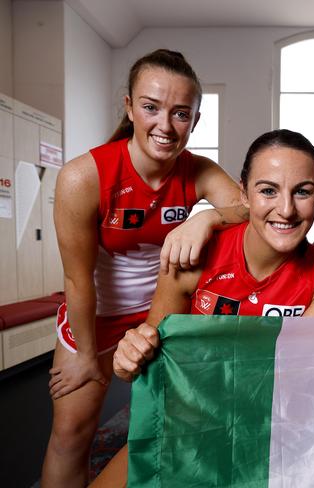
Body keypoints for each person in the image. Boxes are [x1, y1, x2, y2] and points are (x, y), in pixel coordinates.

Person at [90, 128, 314, 487]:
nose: (286, 209)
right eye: (268, 190)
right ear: (243, 192)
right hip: (187, 421)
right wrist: (130, 354)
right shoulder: (191, 252)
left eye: (302, 192)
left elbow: (301, 384)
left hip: (269, 432)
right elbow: (151, 349)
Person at [42, 49, 246, 488]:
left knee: (180, 432)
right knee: (71, 435)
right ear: (129, 106)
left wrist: (205, 217)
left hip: (166, 312)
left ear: (194, 119)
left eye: (181, 113)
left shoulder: (198, 170)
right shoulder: (83, 176)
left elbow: (249, 211)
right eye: (151, 107)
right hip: (95, 313)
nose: (165, 126)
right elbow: (78, 280)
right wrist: (83, 354)